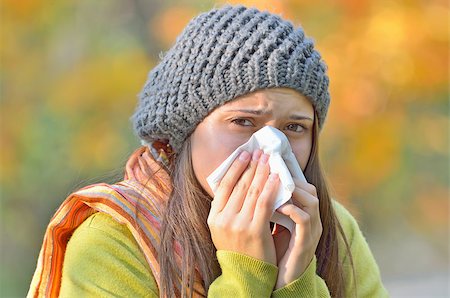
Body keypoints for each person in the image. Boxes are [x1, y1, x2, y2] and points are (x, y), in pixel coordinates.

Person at [28, 5, 388, 298]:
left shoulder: (330, 227)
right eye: (243, 122)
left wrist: (299, 281)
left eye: (294, 127)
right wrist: (245, 273)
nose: (272, 146)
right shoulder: (112, 241)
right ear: (185, 132)